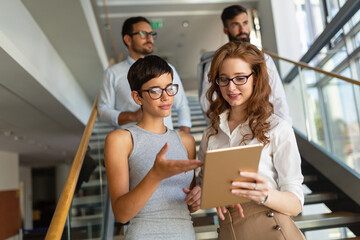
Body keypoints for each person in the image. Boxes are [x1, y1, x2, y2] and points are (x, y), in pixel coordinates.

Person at [198, 41, 305, 239]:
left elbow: (296, 203)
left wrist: (264, 195)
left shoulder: (278, 128)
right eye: (224, 79)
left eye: (240, 78)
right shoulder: (210, 134)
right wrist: (203, 193)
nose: (231, 87)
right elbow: (204, 186)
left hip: (271, 229)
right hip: (229, 232)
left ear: (255, 78)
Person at [104, 55, 202, 239]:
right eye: (155, 90)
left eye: (170, 88)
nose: (166, 97)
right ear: (137, 97)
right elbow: (121, 214)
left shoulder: (186, 141)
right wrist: (155, 175)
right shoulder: (120, 140)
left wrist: (196, 199)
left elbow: (189, 205)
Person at [199, 5, 292, 125]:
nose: (242, 29)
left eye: (245, 23)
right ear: (226, 29)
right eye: (235, 24)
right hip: (229, 127)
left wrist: (286, 129)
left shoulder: (264, 59)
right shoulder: (216, 62)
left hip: (263, 126)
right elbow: (206, 102)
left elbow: (278, 99)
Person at [98, 16, 191, 133]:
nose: (149, 38)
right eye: (143, 33)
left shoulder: (168, 69)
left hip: (167, 141)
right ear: (128, 39)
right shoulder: (112, 73)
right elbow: (103, 110)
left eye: (151, 34)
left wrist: (185, 137)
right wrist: (133, 116)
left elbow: (182, 105)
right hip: (130, 145)